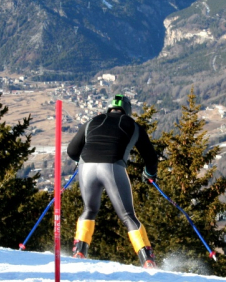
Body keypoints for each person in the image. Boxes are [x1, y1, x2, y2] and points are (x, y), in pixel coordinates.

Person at [67, 94, 159, 268]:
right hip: (112, 167)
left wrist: (81, 159)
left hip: (86, 168)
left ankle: (79, 251)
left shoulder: (92, 122)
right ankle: (147, 259)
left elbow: (72, 151)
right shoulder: (133, 125)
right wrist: (150, 174)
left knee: (89, 209)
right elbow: (151, 157)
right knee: (127, 216)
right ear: (128, 110)